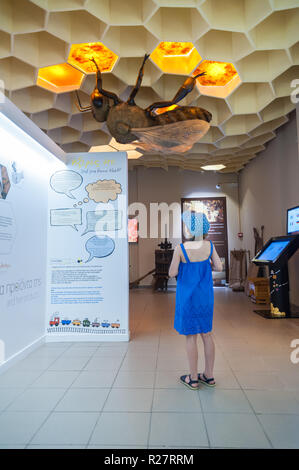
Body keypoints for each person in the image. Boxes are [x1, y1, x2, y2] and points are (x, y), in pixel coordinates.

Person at [168, 210, 223, 390]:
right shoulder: (210, 246)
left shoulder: (180, 249)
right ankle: (209, 375)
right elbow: (219, 266)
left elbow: (172, 273)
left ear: (189, 229)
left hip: (187, 299)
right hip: (205, 298)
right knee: (207, 335)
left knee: (191, 336)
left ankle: (192, 378)